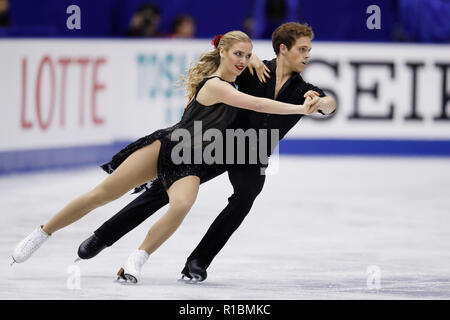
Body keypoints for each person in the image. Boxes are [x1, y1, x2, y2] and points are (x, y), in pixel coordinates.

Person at [11, 30, 321, 284]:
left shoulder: (248, 77)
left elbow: (258, 85)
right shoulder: (216, 84)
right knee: (102, 194)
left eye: (246, 55)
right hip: (168, 145)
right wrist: (296, 108)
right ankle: (42, 233)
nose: (242, 60)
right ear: (223, 53)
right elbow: (258, 105)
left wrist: (250, 57)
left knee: (182, 205)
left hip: (191, 159)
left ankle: (137, 259)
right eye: (236, 54)